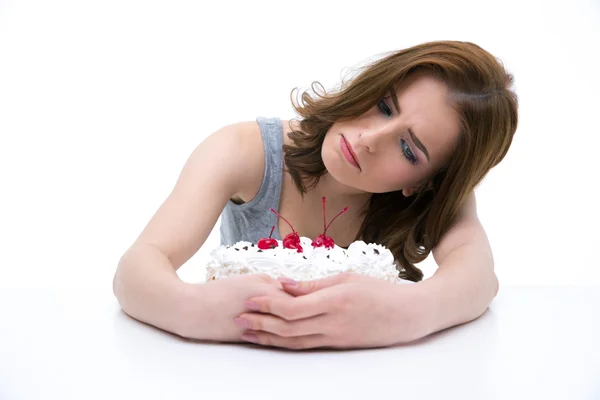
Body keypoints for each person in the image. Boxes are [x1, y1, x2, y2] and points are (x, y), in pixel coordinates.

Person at [113, 40, 518, 349]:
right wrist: (199, 310)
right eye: (384, 106)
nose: (369, 139)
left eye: (409, 149)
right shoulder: (243, 150)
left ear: (427, 182)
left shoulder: (433, 199)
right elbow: (136, 268)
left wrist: (401, 314)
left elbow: (480, 278)